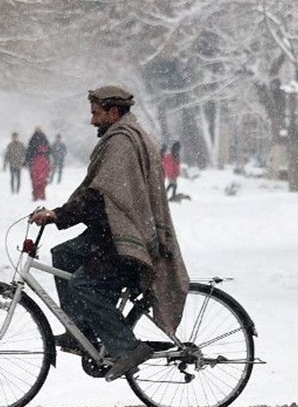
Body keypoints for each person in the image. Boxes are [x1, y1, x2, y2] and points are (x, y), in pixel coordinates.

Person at [30, 85, 189, 382]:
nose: (92, 121)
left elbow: (100, 198)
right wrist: (61, 214)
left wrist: (59, 215)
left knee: (84, 284)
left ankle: (127, 348)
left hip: (127, 239)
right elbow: (99, 196)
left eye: (95, 113)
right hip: (111, 232)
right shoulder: (124, 136)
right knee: (63, 254)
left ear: (113, 112)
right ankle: (82, 331)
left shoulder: (122, 144)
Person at [24, 126, 51, 201]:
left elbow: (29, 151)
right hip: (38, 162)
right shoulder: (38, 139)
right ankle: (39, 194)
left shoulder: (35, 139)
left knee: (38, 179)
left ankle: (39, 194)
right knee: (39, 179)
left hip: (38, 162)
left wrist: (27, 160)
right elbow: (29, 151)